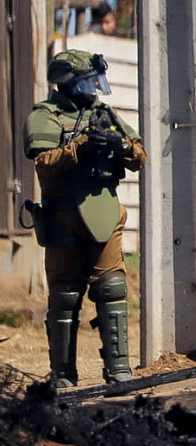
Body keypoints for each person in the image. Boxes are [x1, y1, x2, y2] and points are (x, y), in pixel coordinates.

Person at [23, 49, 147, 387]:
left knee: (112, 287)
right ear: (66, 83)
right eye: (86, 82)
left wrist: (119, 144)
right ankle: (63, 375)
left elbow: (140, 154)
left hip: (104, 211)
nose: (94, 88)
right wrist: (77, 148)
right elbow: (43, 162)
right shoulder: (45, 115)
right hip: (62, 215)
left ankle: (119, 371)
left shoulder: (103, 112)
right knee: (64, 296)